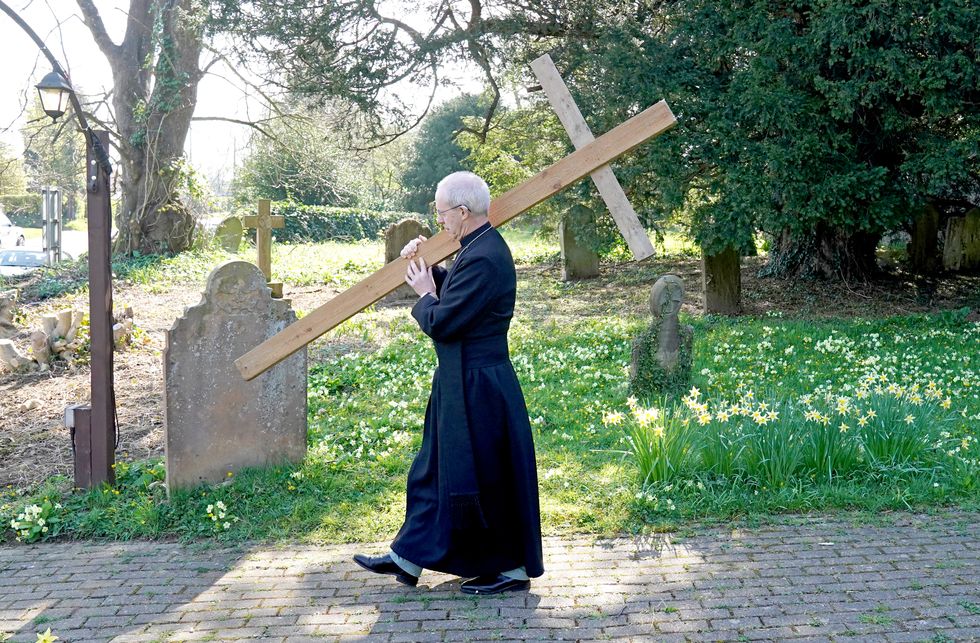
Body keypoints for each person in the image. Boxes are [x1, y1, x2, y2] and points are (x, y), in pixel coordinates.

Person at [353, 171, 543, 595]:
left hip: (480, 388)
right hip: (463, 382)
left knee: (486, 477)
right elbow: (460, 298)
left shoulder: (486, 256)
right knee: (434, 470)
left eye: (440, 213)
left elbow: (444, 321)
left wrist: (424, 292)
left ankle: (510, 570)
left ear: (461, 211)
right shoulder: (475, 248)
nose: (437, 220)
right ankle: (408, 558)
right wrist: (429, 270)